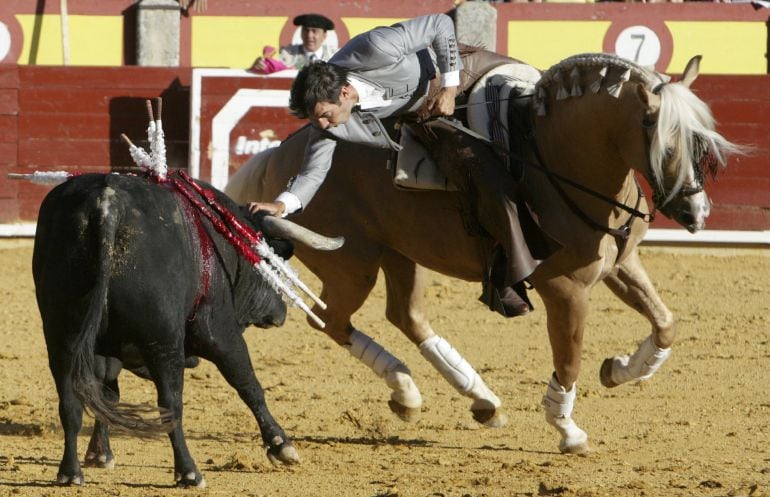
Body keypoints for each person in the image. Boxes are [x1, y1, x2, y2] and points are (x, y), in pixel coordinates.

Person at [250, 12, 536, 317]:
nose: (320, 124)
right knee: (478, 170)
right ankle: (506, 268)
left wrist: (450, 89)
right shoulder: (329, 122)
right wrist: (283, 205)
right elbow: (313, 171)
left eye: (324, 114)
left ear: (344, 92)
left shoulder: (375, 47)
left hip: (462, 76)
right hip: (424, 116)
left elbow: (440, 24)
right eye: (314, 118)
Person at [250, 13, 337, 74]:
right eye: (306, 30)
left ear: (324, 35)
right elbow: (267, 69)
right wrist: (258, 67)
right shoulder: (286, 54)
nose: (309, 35)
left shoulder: (335, 56)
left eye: (314, 31)